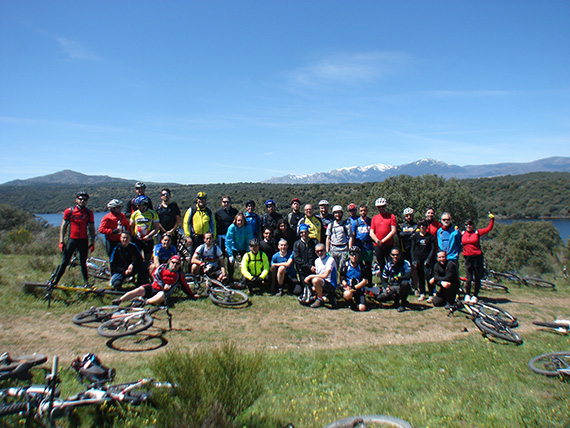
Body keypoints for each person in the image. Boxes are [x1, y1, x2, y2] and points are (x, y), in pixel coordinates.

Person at [50, 191, 96, 287]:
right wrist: (61, 242)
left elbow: (91, 228)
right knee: (65, 262)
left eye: (84, 200)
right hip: (72, 240)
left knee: (83, 263)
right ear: (76, 200)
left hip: (83, 240)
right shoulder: (69, 211)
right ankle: (55, 282)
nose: (82, 201)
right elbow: (63, 226)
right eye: (80, 199)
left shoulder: (88, 213)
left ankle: (86, 283)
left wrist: (92, 243)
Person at [112, 255, 194, 306]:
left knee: (162, 295)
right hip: (153, 287)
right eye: (173, 262)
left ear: (180, 265)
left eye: (177, 263)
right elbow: (154, 274)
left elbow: (185, 286)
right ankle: (120, 300)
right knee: (139, 289)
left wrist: (192, 295)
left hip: (163, 293)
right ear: (170, 262)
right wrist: (162, 284)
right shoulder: (163, 267)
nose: (174, 265)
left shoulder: (179, 274)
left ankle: (145, 302)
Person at [462, 213, 495, 304]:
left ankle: (475, 295)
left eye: (470, 224)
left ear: (473, 225)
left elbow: (488, 229)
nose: (468, 226)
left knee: (477, 278)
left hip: (477, 258)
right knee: (468, 278)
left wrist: (492, 220)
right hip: (467, 258)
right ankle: (467, 294)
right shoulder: (462, 233)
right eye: (466, 225)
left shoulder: (477, 232)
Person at [376, 248, 412, 312]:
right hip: (392, 286)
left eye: (397, 255)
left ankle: (402, 304)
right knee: (380, 298)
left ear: (400, 254)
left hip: (402, 285)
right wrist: (387, 287)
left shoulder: (406, 263)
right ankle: (395, 299)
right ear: (391, 255)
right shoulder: (388, 265)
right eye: (393, 255)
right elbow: (384, 280)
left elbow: (407, 276)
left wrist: (397, 278)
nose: (395, 257)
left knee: (405, 283)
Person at [303, 243, 338, 308]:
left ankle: (320, 299)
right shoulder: (317, 261)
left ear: (325, 251)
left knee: (315, 280)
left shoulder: (330, 260)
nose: (319, 253)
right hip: (322, 282)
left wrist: (311, 276)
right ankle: (316, 296)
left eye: (321, 250)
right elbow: (318, 274)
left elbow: (325, 275)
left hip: (330, 284)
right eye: (317, 251)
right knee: (309, 281)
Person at [130, 195, 161, 266]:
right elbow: (131, 226)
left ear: (145, 204)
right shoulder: (135, 214)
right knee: (135, 258)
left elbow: (156, 228)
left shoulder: (153, 214)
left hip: (148, 239)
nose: (138, 207)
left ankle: (146, 275)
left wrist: (149, 236)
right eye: (137, 205)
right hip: (137, 239)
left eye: (139, 205)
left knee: (147, 259)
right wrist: (133, 236)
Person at [369, 198, 397, 275]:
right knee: (381, 264)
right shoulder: (375, 218)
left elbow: (393, 231)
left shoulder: (391, 216)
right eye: (379, 207)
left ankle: (392, 280)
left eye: (383, 206)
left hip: (388, 244)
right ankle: (383, 281)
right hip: (377, 245)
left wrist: (383, 241)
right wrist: (377, 241)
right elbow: (371, 232)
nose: (381, 208)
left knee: (390, 263)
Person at [410, 220, 437, 301]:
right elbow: (412, 249)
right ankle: (422, 293)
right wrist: (413, 260)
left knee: (428, 276)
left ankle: (431, 294)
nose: (422, 227)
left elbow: (433, 249)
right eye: (420, 225)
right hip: (418, 259)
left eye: (424, 225)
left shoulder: (430, 237)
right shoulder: (415, 236)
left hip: (427, 260)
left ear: (426, 227)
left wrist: (428, 259)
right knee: (420, 276)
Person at [225, 213, 253, 280]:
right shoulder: (232, 227)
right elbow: (228, 240)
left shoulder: (248, 228)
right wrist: (230, 254)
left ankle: (245, 278)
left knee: (246, 262)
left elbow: (249, 241)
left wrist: (248, 252)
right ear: (236, 221)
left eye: (242, 220)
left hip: (244, 247)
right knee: (230, 262)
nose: (240, 222)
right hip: (234, 247)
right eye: (238, 220)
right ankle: (230, 278)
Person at [349, 205, 373, 282]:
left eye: (364, 210)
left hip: (368, 246)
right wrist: (350, 247)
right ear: (359, 212)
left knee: (368, 265)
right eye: (361, 211)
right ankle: (359, 282)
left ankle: (369, 283)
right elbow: (352, 236)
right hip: (358, 246)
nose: (363, 212)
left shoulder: (370, 221)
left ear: (367, 211)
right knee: (359, 265)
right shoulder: (356, 222)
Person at [340, 246, 368, 312]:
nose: (354, 257)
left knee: (362, 308)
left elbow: (364, 281)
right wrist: (346, 286)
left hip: (358, 289)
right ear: (349, 255)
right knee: (347, 294)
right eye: (352, 255)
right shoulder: (345, 265)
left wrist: (354, 288)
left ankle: (356, 304)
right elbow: (342, 278)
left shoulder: (362, 266)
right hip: (349, 288)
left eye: (356, 255)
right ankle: (350, 303)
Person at [326, 205, 352, 275]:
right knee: (333, 268)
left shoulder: (346, 225)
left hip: (343, 249)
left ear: (342, 213)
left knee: (343, 268)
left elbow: (350, 237)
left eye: (339, 213)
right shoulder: (330, 225)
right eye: (335, 213)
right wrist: (327, 250)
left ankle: (342, 283)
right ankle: (334, 283)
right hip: (333, 249)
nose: (337, 215)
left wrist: (349, 250)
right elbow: (328, 238)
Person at [293, 224, 317, 288]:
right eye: (302, 233)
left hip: (312, 269)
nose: (304, 234)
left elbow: (315, 255)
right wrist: (308, 266)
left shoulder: (314, 242)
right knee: (302, 288)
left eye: (305, 232)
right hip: (302, 269)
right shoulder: (297, 244)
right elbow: (297, 258)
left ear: (308, 233)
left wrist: (312, 266)